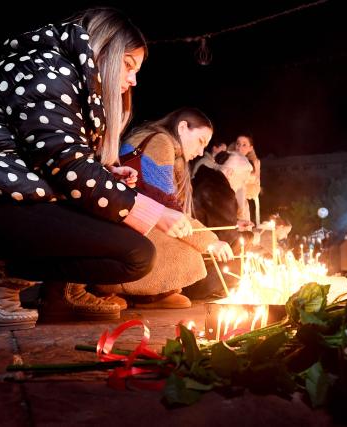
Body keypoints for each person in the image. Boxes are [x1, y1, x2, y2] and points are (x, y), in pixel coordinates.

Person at [0, 8, 193, 330]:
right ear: (106, 51)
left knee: (134, 250)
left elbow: (45, 157)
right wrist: (153, 212)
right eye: (128, 65)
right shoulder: (50, 69)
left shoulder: (65, 76)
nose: (133, 80)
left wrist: (105, 175)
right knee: (134, 254)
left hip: (3, 191)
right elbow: (64, 162)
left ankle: (44, 287)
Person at [95, 107, 234, 307]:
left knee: (187, 247)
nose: (201, 151)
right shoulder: (160, 143)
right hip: (121, 227)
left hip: (119, 222)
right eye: (201, 141)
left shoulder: (156, 140)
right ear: (184, 127)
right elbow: (167, 208)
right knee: (189, 256)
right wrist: (210, 242)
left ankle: (139, 291)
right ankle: (139, 293)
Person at [184, 150, 253, 299]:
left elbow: (210, 221)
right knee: (247, 260)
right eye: (242, 180)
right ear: (229, 172)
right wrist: (250, 237)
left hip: (193, 260)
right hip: (199, 273)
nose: (241, 186)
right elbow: (227, 242)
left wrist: (235, 224)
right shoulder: (220, 191)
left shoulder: (205, 180)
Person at [232, 134, 261, 225]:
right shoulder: (228, 160)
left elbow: (254, 192)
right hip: (229, 204)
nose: (240, 147)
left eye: (244, 144)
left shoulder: (250, 165)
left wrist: (257, 172)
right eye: (238, 144)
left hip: (241, 207)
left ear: (250, 148)